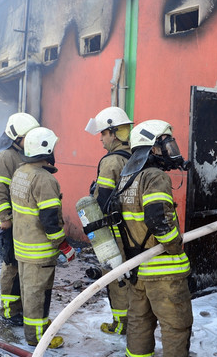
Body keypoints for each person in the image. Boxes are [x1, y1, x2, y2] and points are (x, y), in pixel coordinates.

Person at [111, 119, 192, 357]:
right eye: (165, 144)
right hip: (164, 271)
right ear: (152, 148)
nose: (171, 151)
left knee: (139, 323)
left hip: (138, 269)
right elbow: (158, 218)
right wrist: (175, 246)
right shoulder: (155, 176)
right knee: (176, 325)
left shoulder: (127, 179)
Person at [10, 126, 74, 349]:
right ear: (46, 149)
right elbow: (49, 220)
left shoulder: (21, 172)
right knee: (39, 294)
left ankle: (36, 327)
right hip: (39, 249)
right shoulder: (44, 179)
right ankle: (37, 337)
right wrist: (64, 245)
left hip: (23, 246)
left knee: (29, 292)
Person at [0, 112, 40, 326]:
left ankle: (21, 307)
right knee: (11, 265)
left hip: (24, 221)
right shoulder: (6, 157)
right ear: (17, 137)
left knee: (22, 265)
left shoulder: (23, 154)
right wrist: (5, 218)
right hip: (12, 221)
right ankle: (10, 310)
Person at [84, 106, 133, 335]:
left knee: (116, 278)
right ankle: (134, 320)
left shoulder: (111, 162)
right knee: (132, 276)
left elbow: (102, 202)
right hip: (135, 230)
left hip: (115, 232)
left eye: (103, 133)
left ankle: (121, 324)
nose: (101, 139)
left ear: (113, 132)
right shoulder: (135, 156)